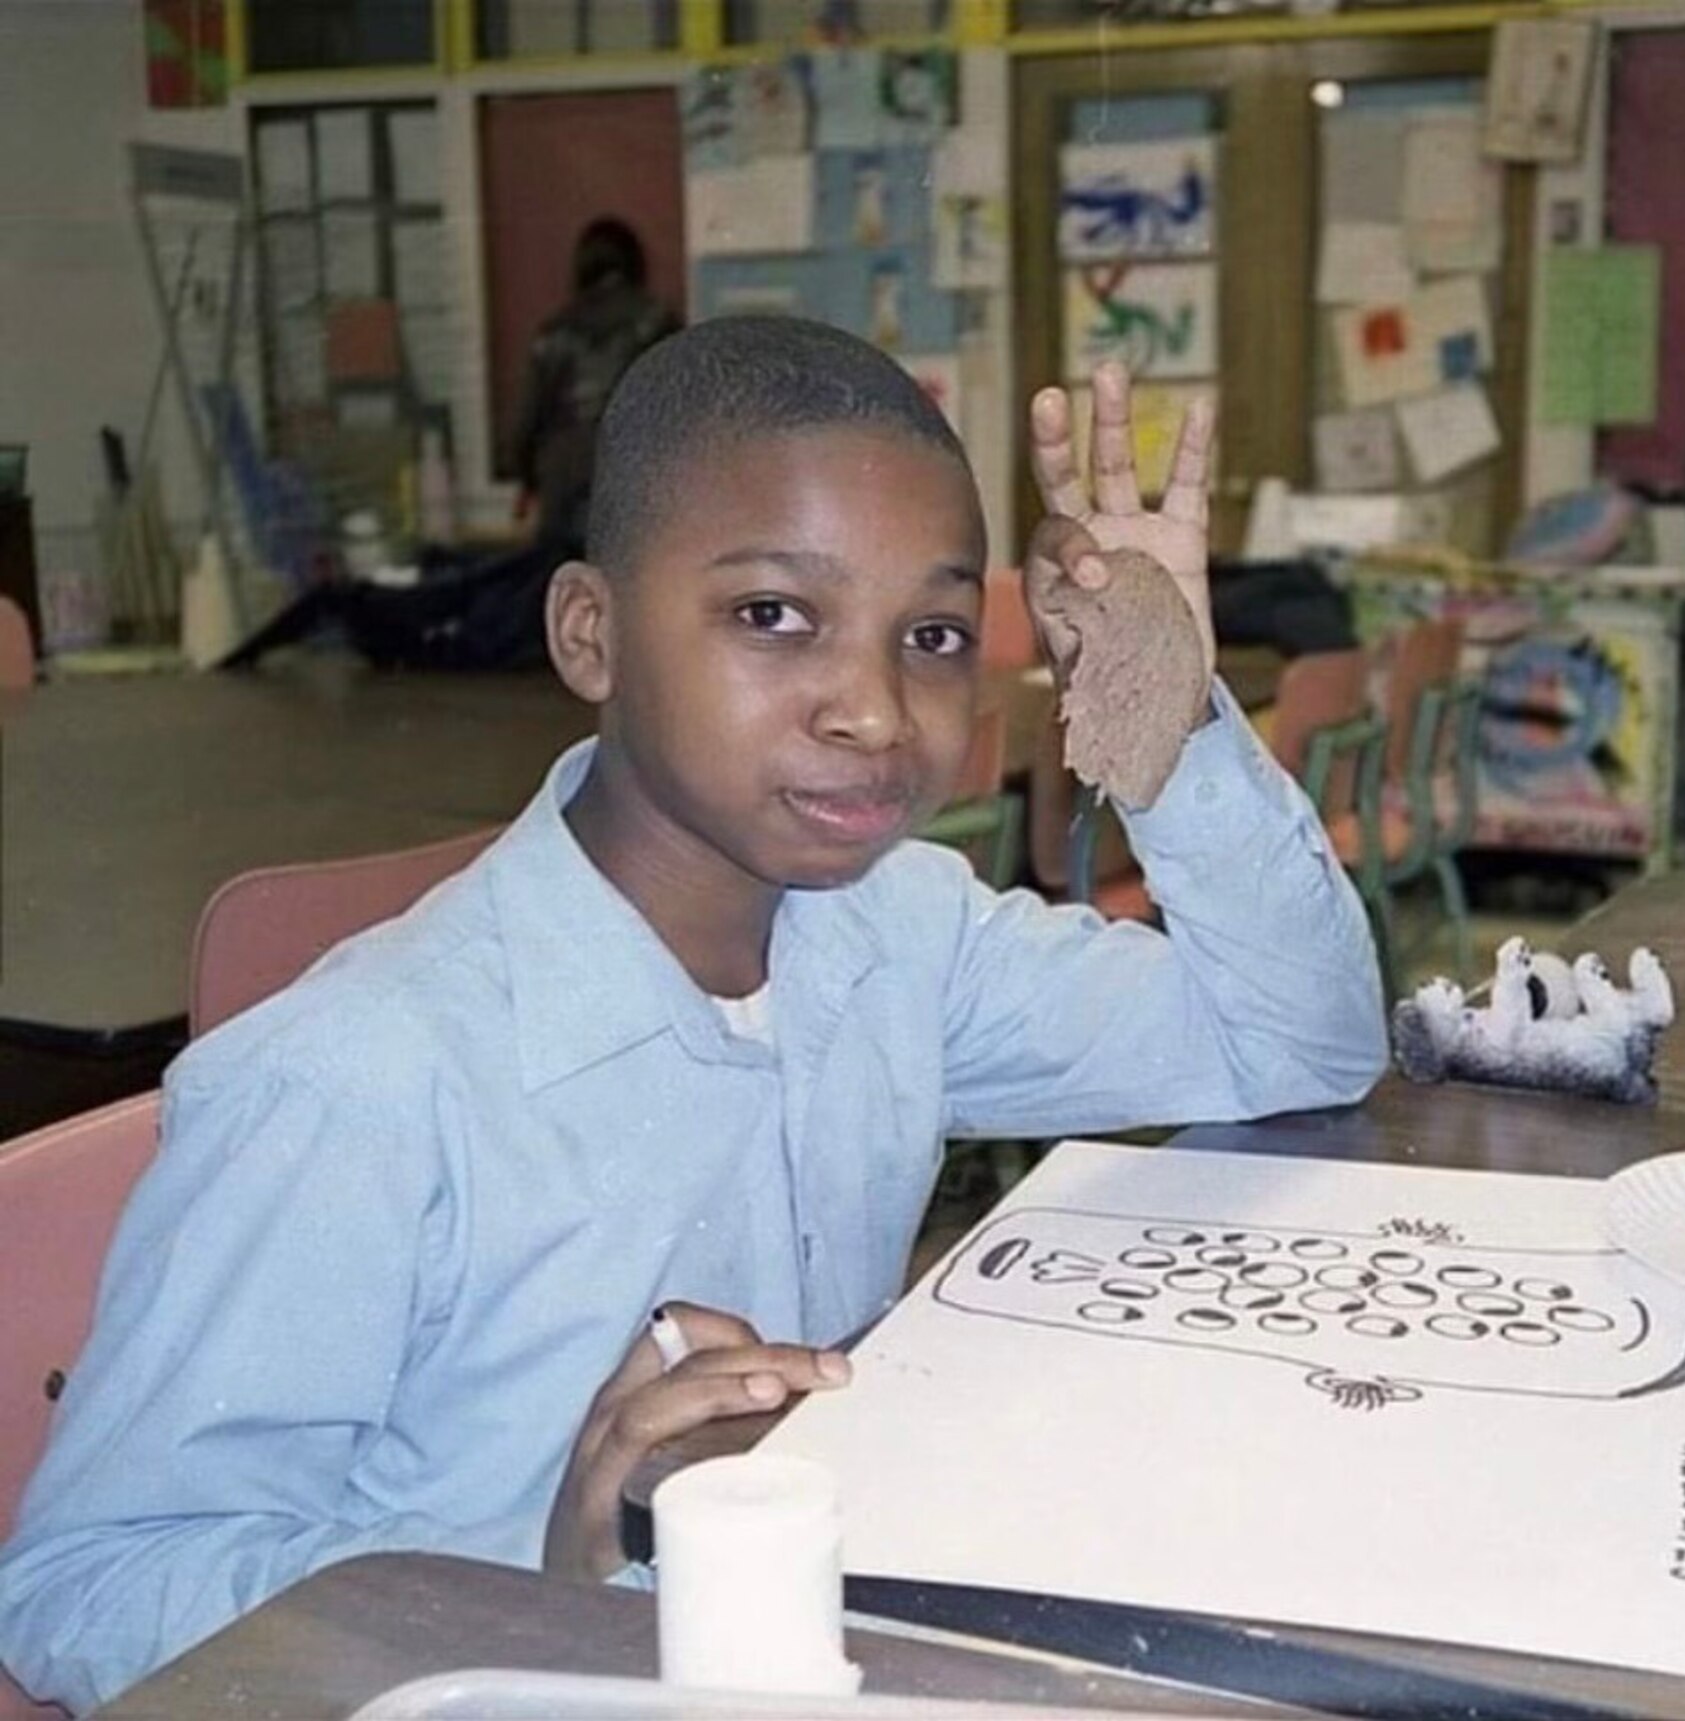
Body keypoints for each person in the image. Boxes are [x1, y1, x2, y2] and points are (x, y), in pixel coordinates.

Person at [0, 317, 1386, 1713]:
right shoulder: (355, 1084)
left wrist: (1174, 724)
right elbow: (87, 1590)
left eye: (934, 635)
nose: (873, 709)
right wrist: (536, 1567)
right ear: (590, 633)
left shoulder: (896, 934)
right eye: (774, 613)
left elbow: (1295, 1040)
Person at [511, 216, 678, 551]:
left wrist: (528, 483)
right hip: (633, 482)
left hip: (562, 482)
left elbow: (526, 424)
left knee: (567, 590)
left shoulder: (554, 332)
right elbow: (683, 413)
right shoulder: (658, 322)